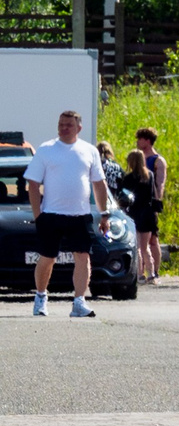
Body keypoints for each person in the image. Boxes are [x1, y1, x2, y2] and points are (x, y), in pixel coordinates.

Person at [28, 109, 112, 318]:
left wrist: (104, 213)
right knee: (48, 257)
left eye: (69, 125)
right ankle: (40, 297)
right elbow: (33, 183)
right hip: (51, 214)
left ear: (79, 128)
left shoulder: (89, 150)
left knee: (83, 257)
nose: (64, 129)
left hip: (80, 215)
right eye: (61, 125)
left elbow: (99, 184)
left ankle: (79, 302)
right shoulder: (46, 150)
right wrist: (38, 215)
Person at [131, 126, 167, 283]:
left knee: (152, 240)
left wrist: (155, 205)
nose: (137, 142)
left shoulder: (158, 160)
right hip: (137, 205)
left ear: (147, 140)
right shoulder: (138, 157)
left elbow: (160, 184)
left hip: (149, 204)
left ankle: (155, 271)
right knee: (140, 241)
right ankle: (141, 271)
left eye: (140, 139)